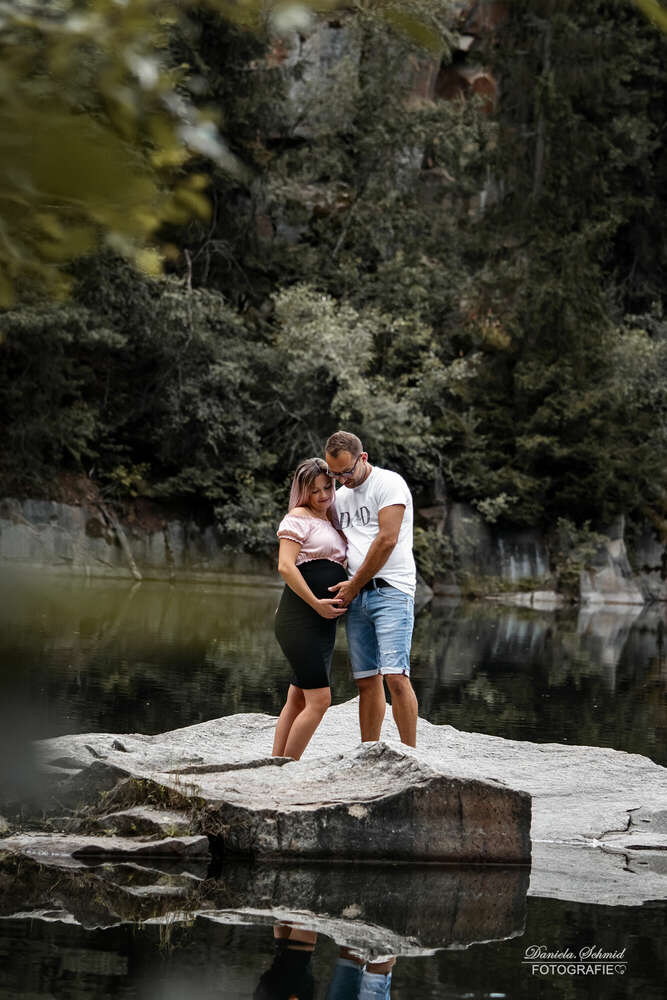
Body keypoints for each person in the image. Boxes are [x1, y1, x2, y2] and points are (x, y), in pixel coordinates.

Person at [324, 431, 418, 747]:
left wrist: (353, 585)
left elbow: (387, 539)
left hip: (391, 590)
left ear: (362, 459)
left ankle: (410, 759)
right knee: (366, 681)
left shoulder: (388, 484)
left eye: (346, 472)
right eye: (334, 474)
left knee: (396, 677)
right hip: (357, 596)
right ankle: (369, 753)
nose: (341, 480)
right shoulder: (340, 496)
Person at [272, 457, 348, 760]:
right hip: (300, 619)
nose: (323, 496)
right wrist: (316, 603)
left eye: (327, 487)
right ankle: (287, 767)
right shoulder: (297, 517)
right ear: (303, 492)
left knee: (298, 696)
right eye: (315, 491)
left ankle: (274, 762)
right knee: (320, 700)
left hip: (322, 623)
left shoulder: (331, 520)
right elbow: (286, 567)